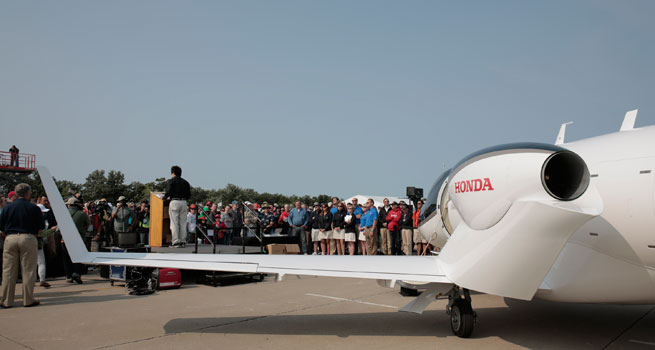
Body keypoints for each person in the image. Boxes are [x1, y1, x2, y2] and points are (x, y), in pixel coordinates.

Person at [0, 183, 44, 307]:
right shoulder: (34, 208)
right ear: (28, 193)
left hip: (10, 238)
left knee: (8, 271)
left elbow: (1, 226)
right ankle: (28, 299)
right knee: (28, 270)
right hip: (28, 237)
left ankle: (6, 300)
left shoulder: (7, 208)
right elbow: (40, 227)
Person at [63, 197, 90, 284]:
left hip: (64, 240)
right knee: (79, 257)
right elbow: (89, 225)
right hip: (78, 239)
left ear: (69, 205)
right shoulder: (82, 214)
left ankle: (68, 276)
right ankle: (77, 273)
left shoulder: (63, 213)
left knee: (67, 259)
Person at [163, 165, 191, 247]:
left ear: (173, 173)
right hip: (184, 202)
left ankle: (175, 241)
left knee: (174, 223)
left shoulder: (170, 181)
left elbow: (168, 192)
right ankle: (183, 240)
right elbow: (189, 194)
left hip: (174, 201)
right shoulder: (186, 182)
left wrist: (164, 197)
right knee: (183, 223)